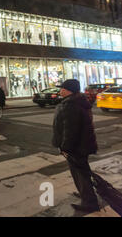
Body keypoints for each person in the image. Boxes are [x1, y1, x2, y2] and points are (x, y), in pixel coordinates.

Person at [52, 79, 99, 213]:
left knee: (80, 174)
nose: (60, 91)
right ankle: (86, 194)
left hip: (76, 148)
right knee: (82, 172)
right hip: (82, 146)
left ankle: (89, 202)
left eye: (62, 89)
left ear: (68, 90)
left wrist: (65, 148)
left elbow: (70, 130)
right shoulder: (78, 102)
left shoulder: (70, 105)